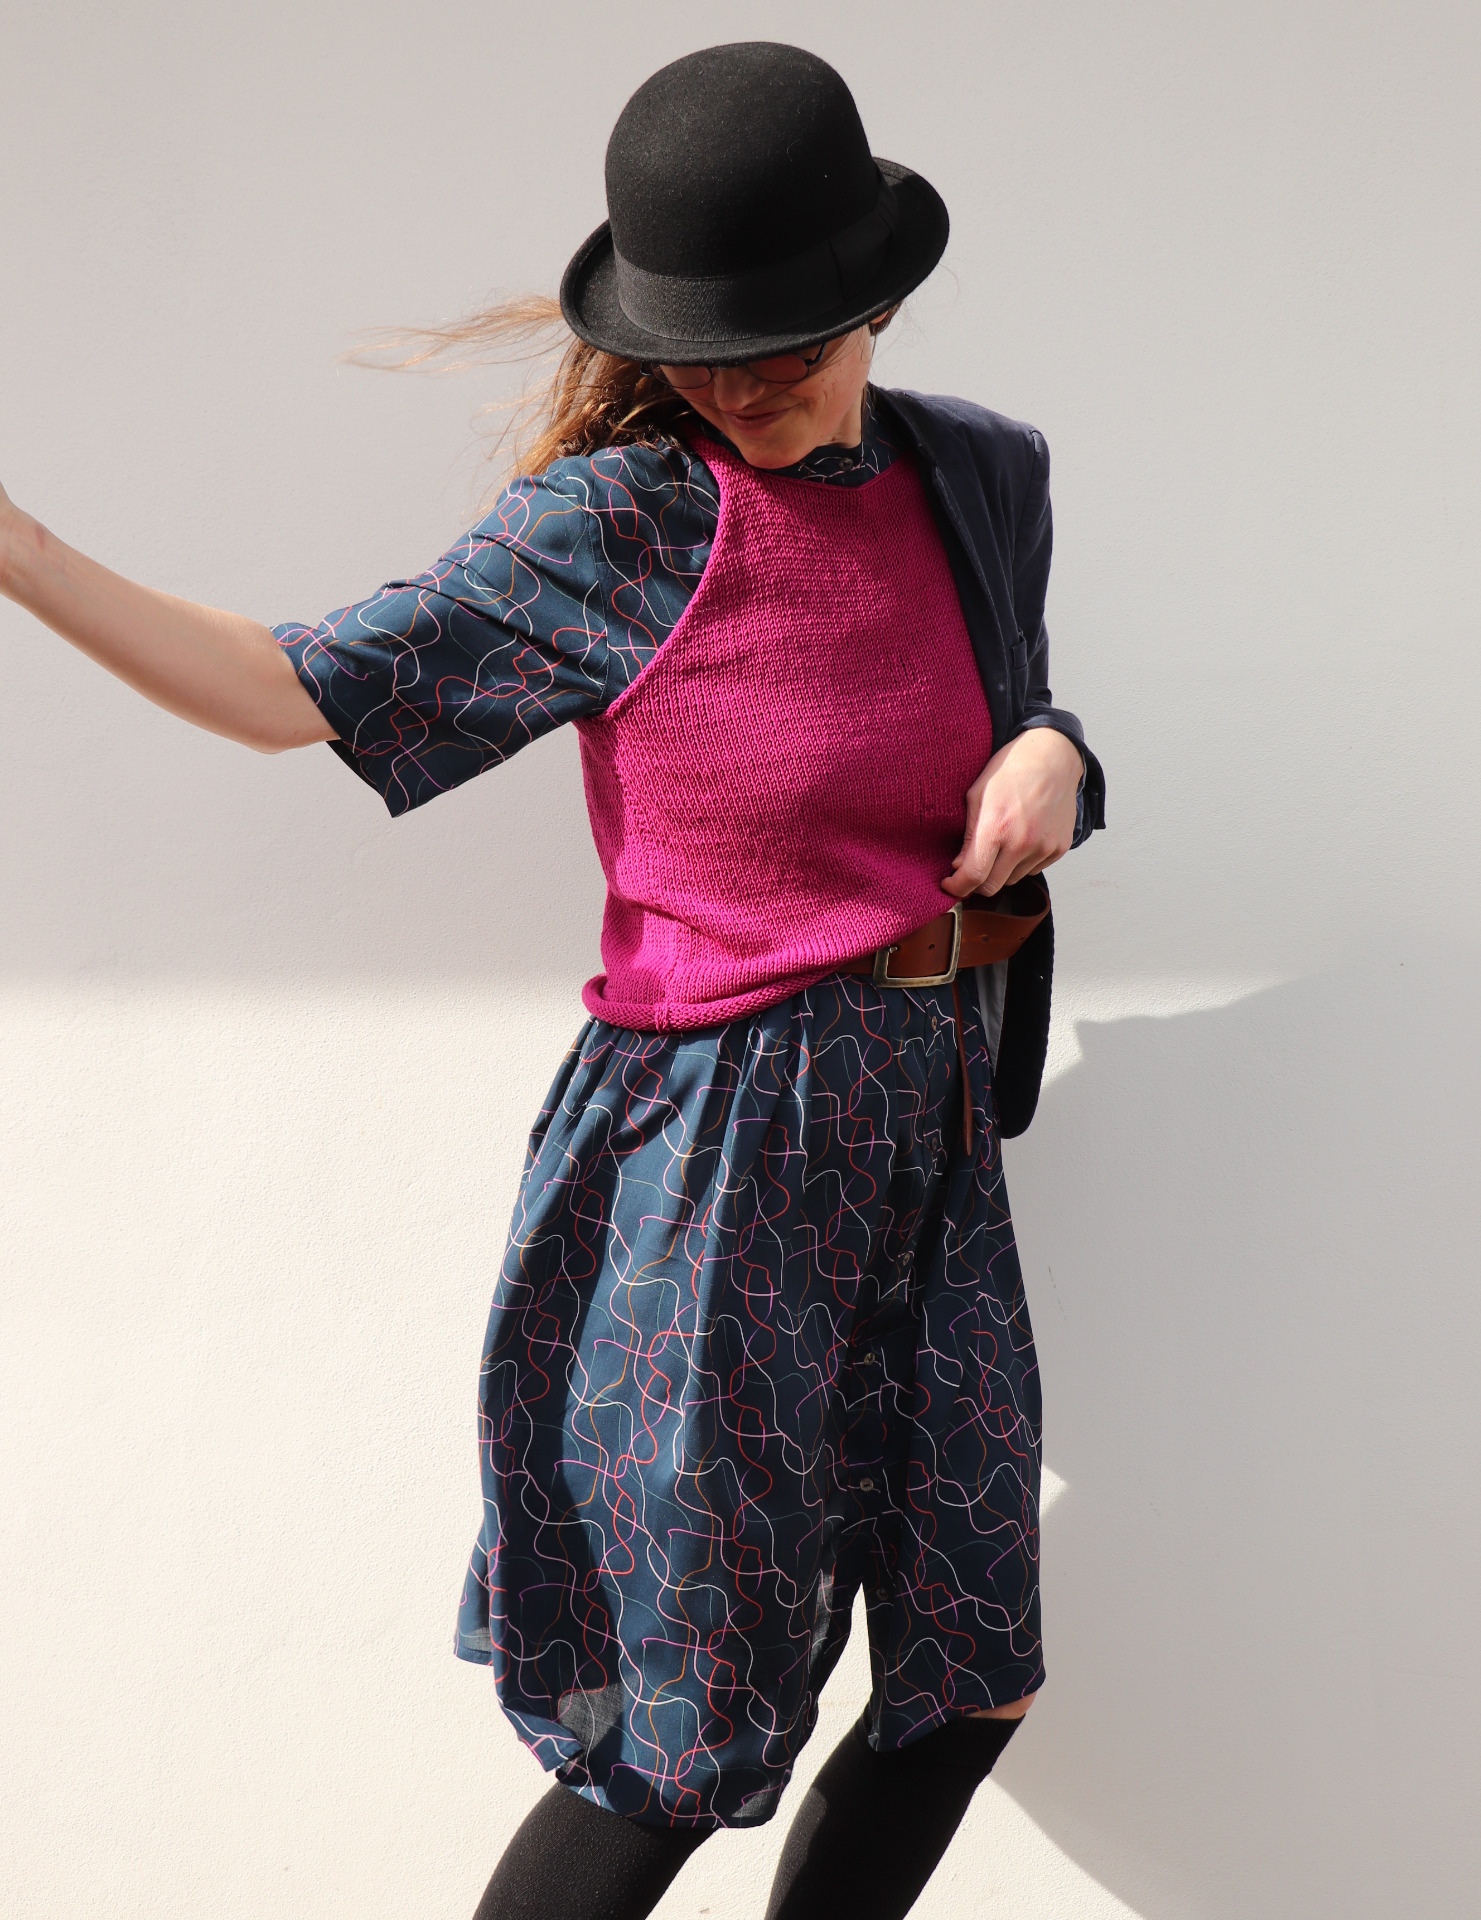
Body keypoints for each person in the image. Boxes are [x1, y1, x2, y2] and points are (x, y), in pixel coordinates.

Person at [2, 40, 1105, 1920]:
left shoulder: (978, 476)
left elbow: (1007, 702)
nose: (736, 385)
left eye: (779, 343)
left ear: (876, 298)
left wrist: (1057, 749)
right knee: (673, 1731)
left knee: (967, 1673)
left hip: (922, 1132)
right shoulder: (617, 529)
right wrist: (19, 550)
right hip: (713, 1154)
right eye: (701, 349)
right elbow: (289, 690)